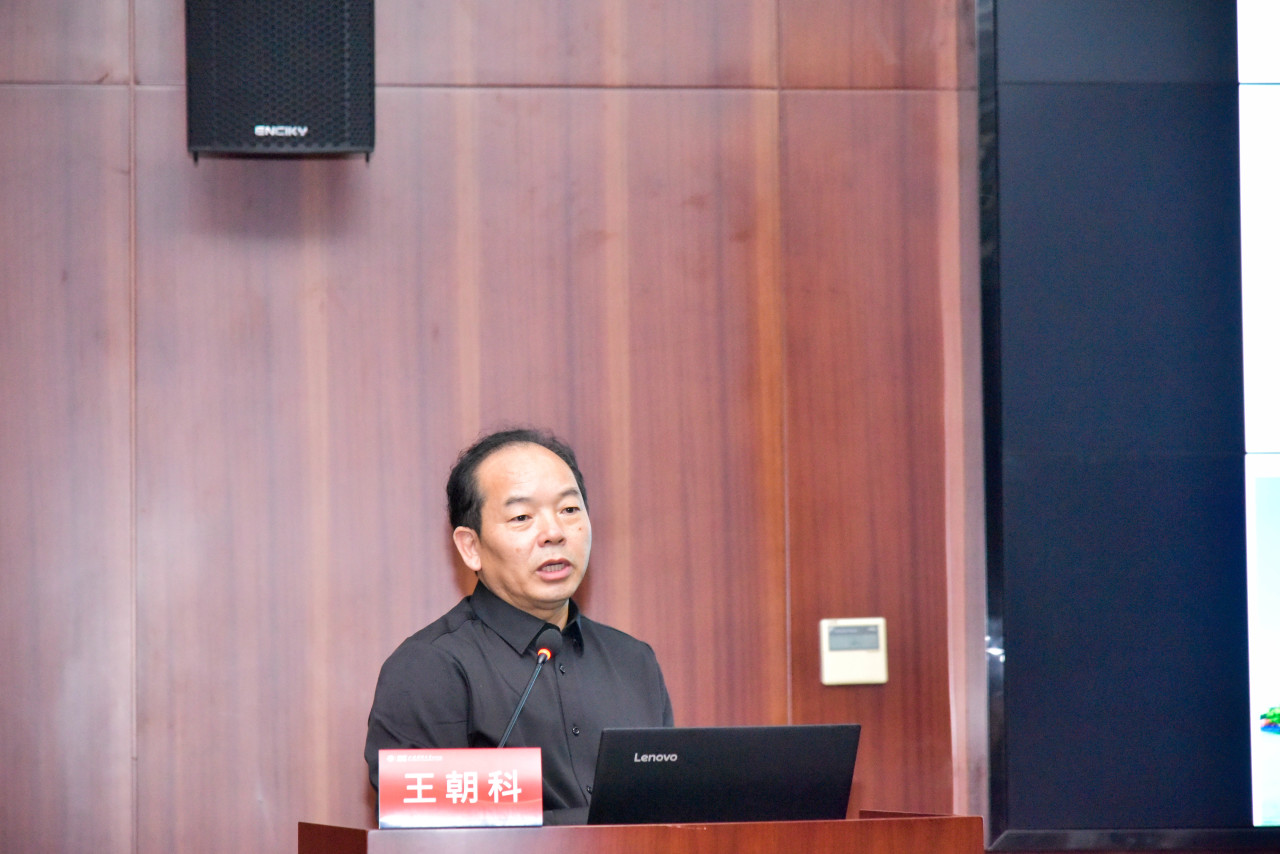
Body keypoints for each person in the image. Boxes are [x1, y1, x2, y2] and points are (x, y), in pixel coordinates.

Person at [364, 427, 673, 825]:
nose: (554, 533)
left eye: (569, 510)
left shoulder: (633, 662)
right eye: (522, 517)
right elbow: (422, 831)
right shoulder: (429, 669)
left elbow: (666, 816)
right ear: (471, 547)